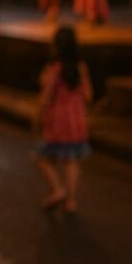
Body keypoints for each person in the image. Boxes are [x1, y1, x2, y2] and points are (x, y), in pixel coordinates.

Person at [34, 26, 92, 213]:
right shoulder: (80, 68)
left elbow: (46, 95)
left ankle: (57, 189)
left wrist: (38, 116)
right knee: (72, 160)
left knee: (43, 158)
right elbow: (89, 95)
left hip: (58, 121)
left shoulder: (54, 68)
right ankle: (71, 201)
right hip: (77, 121)